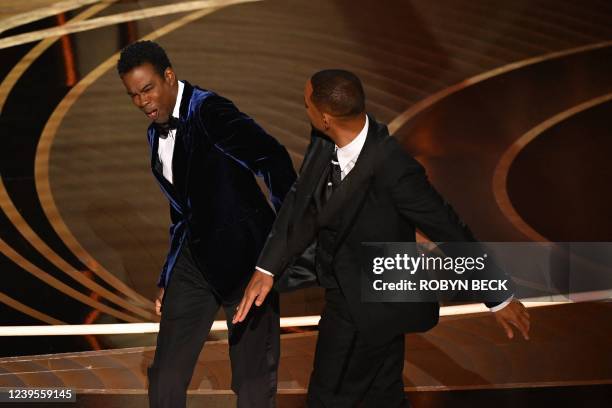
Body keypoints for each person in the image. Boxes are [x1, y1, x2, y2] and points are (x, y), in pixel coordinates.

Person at [234, 69, 530, 407]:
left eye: (307, 105)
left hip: (363, 304)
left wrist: (498, 296)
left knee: (327, 399)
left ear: (326, 117)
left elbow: (449, 229)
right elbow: (301, 200)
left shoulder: (393, 167)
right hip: (363, 297)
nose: (306, 110)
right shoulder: (323, 141)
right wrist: (268, 267)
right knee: (383, 396)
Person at [117, 40, 296, 408]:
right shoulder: (156, 132)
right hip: (195, 261)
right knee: (165, 375)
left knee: (252, 383)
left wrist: (277, 248)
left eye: (147, 89)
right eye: (133, 95)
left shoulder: (209, 111)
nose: (142, 102)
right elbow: (181, 209)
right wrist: (168, 275)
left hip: (247, 265)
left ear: (169, 76)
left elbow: (274, 159)